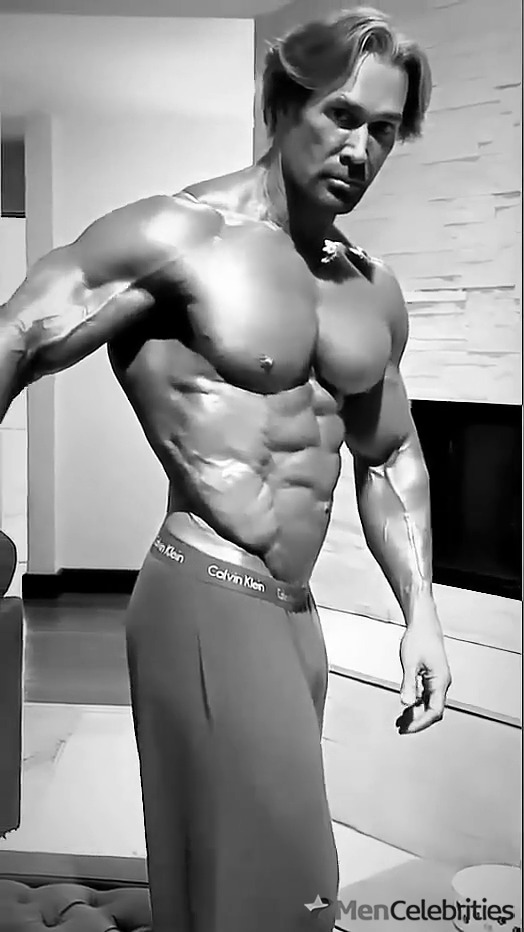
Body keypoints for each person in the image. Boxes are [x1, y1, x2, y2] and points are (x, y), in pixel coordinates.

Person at [0, 7, 452, 931]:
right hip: (206, 590)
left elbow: (388, 454)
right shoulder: (178, 236)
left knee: (231, 890)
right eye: (341, 115)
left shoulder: (370, 288)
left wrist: (424, 615)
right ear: (282, 104)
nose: (360, 148)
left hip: (295, 616)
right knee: (293, 889)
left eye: (383, 130)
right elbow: (17, 338)